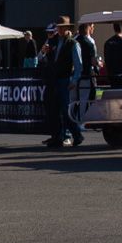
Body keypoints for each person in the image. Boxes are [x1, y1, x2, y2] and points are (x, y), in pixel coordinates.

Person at [41, 17, 83, 149]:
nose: (59, 30)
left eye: (62, 27)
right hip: (54, 79)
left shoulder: (73, 44)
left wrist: (74, 80)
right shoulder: (52, 41)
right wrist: (45, 53)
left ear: (67, 29)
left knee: (65, 110)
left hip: (65, 79)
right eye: (58, 27)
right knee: (53, 109)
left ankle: (76, 134)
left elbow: (78, 65)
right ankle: (57, 137)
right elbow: (43, 58)